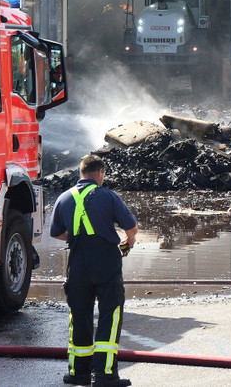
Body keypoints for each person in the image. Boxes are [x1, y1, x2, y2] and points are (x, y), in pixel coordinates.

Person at [51, 154, 138, 387]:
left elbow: (57, 233)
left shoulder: (64, 198)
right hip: (106, 260)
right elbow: (131, 227)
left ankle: (78, 372)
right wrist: (129, 242)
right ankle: (105, 374)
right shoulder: (108, 196)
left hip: (77, 261)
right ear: (100, 173)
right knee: (111, 313)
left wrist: (80, 235)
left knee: (79, 315)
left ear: (81, 173)